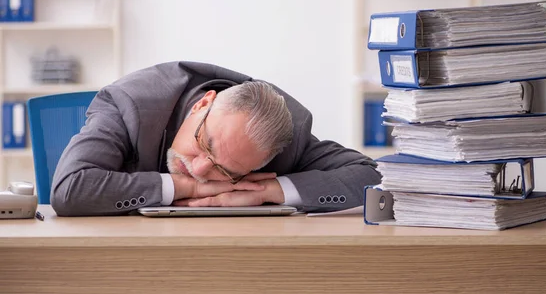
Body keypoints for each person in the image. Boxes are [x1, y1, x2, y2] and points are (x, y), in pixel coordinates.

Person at [51, 61, 382, 216]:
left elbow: (374, 177)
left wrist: (268, 192)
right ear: (202, 104)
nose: (198, 168)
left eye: (226, 171)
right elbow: (70, 190)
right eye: (204, 144)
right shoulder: (130, 104)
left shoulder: (285, 137)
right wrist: (187, 188)